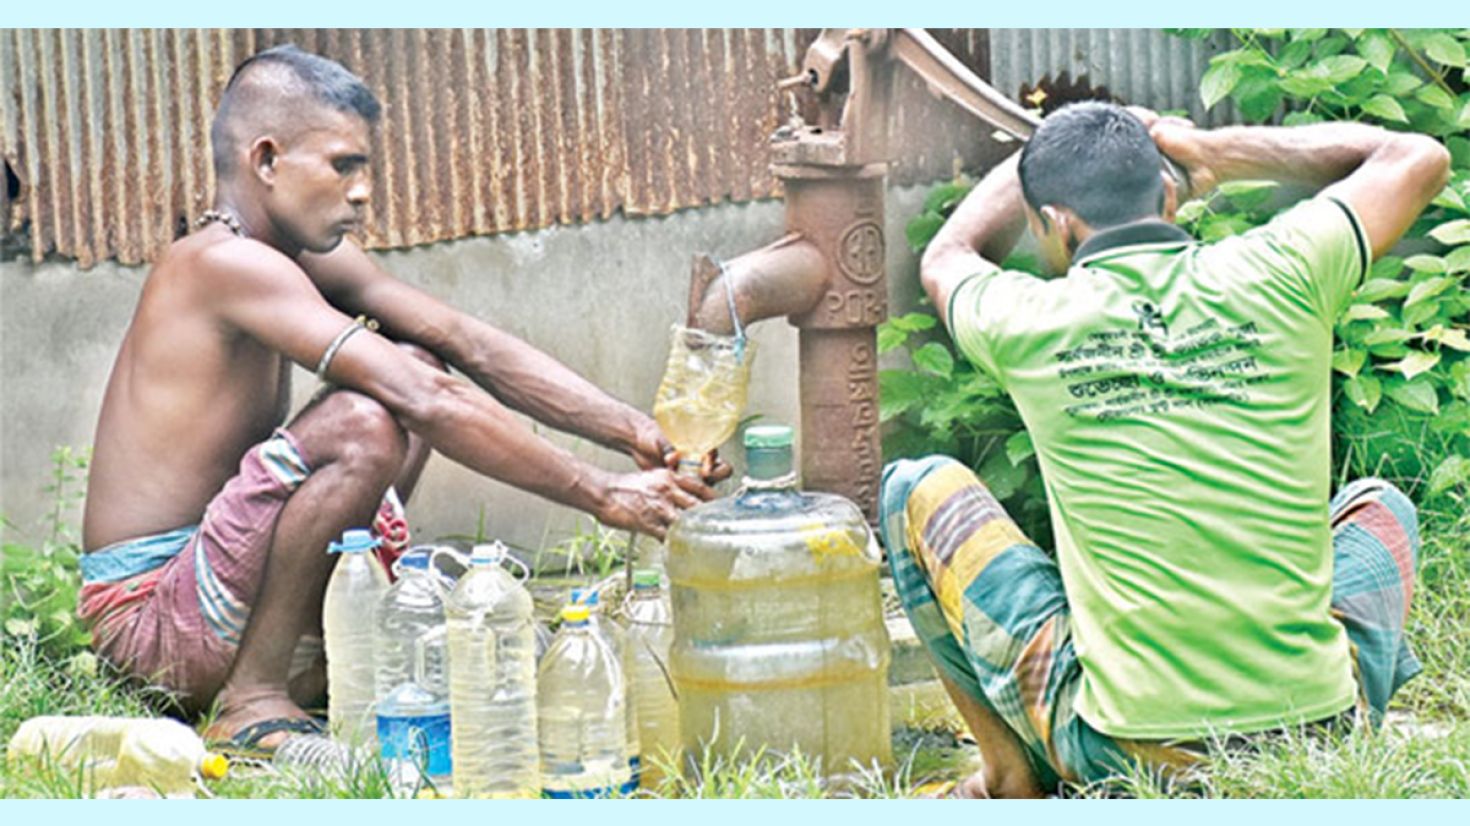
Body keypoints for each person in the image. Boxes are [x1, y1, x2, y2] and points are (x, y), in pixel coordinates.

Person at [77, 45, 724, 754]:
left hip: (219, 591)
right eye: (343, 165)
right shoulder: (222, 263)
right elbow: (424, 399)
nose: (362, 192)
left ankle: (317, 665)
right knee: (367, 417)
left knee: (415, 357)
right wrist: (604, 494)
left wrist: (633, 431)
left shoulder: (295, 258)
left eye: (365, 169)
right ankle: (252, 701)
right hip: (152, 622)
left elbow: (460, 342)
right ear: (266, 161)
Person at [880, 101, 1450, 796]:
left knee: (914, 485)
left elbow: (947, 255)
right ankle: (1334, 727)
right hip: (1317, 725)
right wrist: (1211, 148)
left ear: (1056, 224)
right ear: (1171, 194)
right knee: (1379, 507)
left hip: (1125, 749)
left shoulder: (1024, 320)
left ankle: (1008, 780)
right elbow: (1417, 156)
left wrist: (1043, 149)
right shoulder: (1284, 268)